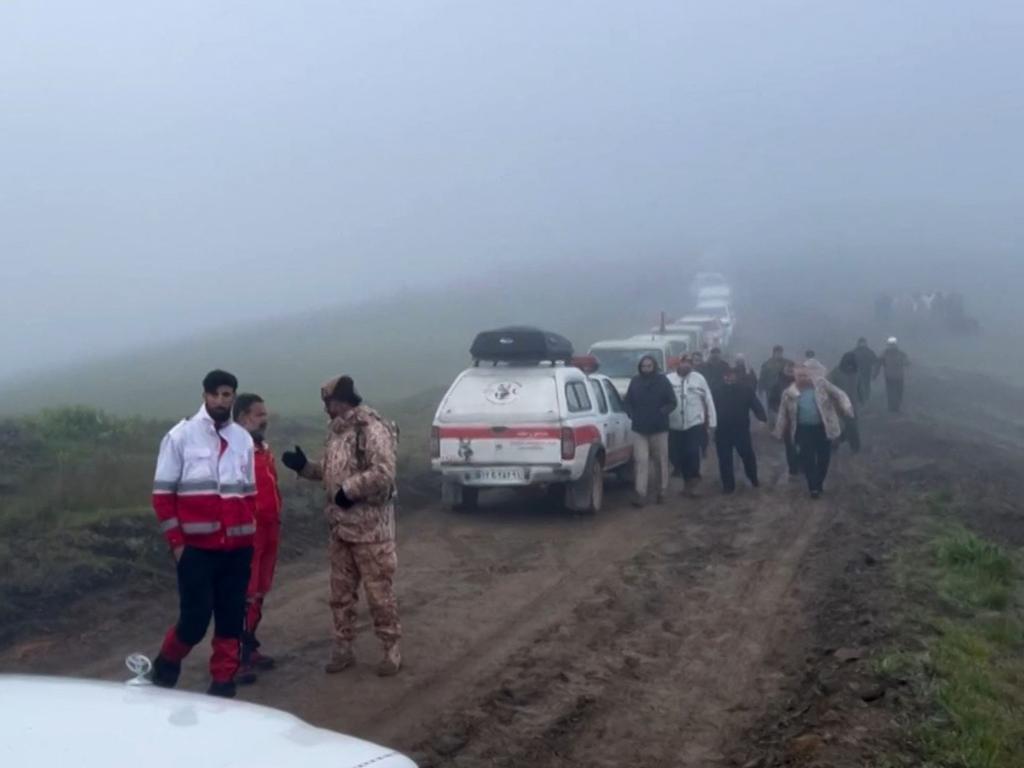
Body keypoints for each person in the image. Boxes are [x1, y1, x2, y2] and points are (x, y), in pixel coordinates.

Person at [282, 375, 402, 676]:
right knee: (340, 596)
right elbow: (332, 472)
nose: (326, 409)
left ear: (342, 401)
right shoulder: (338, 432)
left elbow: (384, 472)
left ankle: (391, 650)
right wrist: (305, 467)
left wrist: (349, 491)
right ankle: (343, 649)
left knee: (379, 594)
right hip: (341, 529)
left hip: (372, 531)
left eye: (328, 403)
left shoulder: (371, 428)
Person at [149, 370, 257, 698]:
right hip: (197, 549)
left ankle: (223, 684)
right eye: (216, 395)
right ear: (205, 396)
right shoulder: (180, 437)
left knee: (230, 618)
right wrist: (178, 545)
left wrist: (249, 540)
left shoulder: (243, 439)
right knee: (194, 621)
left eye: (228, 395)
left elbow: (249, 493)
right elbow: (162, 497)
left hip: (237, 549)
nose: (222, 401)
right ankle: (165, 667)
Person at [233, 393, 283, 683]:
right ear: (242, 417)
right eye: (258, 414)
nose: (265, 419)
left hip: (270, 527)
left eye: (265, 414)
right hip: (248, 531)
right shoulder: (233, 450)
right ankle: (234, 657)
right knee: (244, 593)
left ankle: (249, 646)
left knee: (260, 590)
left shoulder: (263, 447)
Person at [775, 363, 854, 498]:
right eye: (799, 376)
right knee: (808, 458)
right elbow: (783, 413)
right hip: (803, 429)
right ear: (795, 377)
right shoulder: (789, 393)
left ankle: (819, 481)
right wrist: (779, 430)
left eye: (805, 375)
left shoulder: (821, 385)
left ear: (810, 374)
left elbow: (839, 394)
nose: (802, 378)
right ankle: (813, 487)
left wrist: (847, 408)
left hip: (823, 428)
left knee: (824, 458)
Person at [623, 355, 677, 507]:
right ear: (640, 367)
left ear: (654, 366)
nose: (646, 369)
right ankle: (640, 494)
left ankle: (662, 491)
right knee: (641, 461)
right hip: (639, 429)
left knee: (660, 461)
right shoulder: (635, 381)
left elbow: (673, 402)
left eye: (649, 366)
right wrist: (631, 413)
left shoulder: (663, 381)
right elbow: (627, 402)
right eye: (644, 366)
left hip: (659, 429)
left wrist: (662, 412)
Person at [667, 355, 717, 497]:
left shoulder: (699, 379)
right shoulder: (668, 380)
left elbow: (708, 400)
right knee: (675, 455)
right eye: (684, 363)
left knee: (692, 452)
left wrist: (713, 422)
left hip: (695, 424)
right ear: (679, 364)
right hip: (674, 425)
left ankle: (692, 481)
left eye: (689, 364)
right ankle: (685, 477)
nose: (686, 366)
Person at [713, 365, 767, 494]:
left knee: (747, 455)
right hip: (722, 431)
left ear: (736, 376)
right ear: (723, 376)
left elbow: (755, 404)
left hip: (741, 430)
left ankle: (753, 478)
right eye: (726, 375)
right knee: (724, 459)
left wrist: (762, 417)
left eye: (731, 375)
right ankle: (728, 485)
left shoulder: (745, 390)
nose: (729, 377)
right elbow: (709, 407)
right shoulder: (716, 391)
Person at [828, 354, 861, 453]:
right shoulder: (835, 372)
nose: (849, 367)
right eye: (848, 365)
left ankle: (854, 447)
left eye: (851, 365)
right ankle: (835, 445)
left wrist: (862, 397)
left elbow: (859, 386)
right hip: (838, 405)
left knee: (852, 426)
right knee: (839, 426)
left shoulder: (856, 372)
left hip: (852, 405)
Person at [879, 337, 910, 413]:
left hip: (892, 376)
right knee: (895, 392)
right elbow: (907, 363)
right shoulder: (900, 353)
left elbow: (879, 362)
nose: (891, 346)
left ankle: (894, 407)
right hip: (895, 376)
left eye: (892, 345)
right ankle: (894, 407)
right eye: (891, 345)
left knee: (893, 392)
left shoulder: (885, 353)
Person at [851, 338, 879, 404]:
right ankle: (861, 399)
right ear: (858, 343)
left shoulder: (868, 351)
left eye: (863, 342)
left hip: (866, 372)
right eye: (861, 342)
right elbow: (850, 361)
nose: (862, 344)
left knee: (866, 386)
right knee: (858, 386)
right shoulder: (854, 352)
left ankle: (865, 399)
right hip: (857, 372)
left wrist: (875, 372)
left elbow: (875, 361)